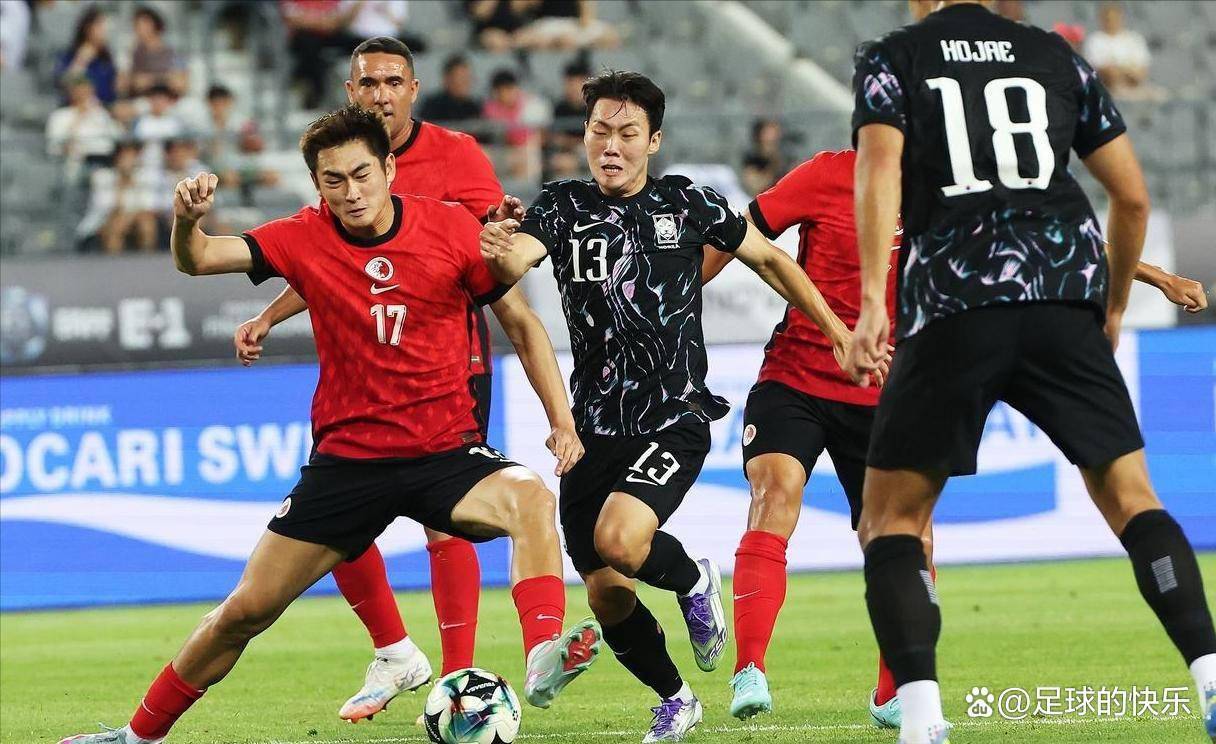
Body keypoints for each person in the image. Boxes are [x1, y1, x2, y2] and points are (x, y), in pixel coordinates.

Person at [59, 104, 603, 744]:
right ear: (317, 184)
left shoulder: (451, 226)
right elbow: (197, 259)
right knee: (244, 611)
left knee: (531, 497)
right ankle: (137, 736)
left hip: (445, 454)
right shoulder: (302, 236)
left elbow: (523, 325)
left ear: (389, 169)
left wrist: (562, 422)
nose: (350, 192)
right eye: (333, 180)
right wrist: (186, 221)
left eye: (361, 174)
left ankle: (542, 656)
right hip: (348, 465)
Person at [703, 146, 1209, 729]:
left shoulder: (956, 191)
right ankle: (750, 669)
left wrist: (1158, 277)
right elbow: (736, 233)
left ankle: (894, 691)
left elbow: (1055, 243)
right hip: (797, 376)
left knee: (907, 540)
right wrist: (680, 290)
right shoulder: (825, 173)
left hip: (888, 391)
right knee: (774, 493)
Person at [847, 3, 1216, 743]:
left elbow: (879, 167)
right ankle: (1210, 675)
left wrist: (870, 302)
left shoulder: (894, 57)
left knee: (890, 521)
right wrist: (1112, 306)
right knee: (1133, 499)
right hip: (1062, 301)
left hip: (954, 301)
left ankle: (921, 718)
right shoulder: (1055, 55)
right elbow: (1132, 196)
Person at [478, 69, 853, 744]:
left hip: (672, 417)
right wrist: (497, 248)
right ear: (584, 136)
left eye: (628, 133)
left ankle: (692, 581)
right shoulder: (561, 206)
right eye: (600, 131)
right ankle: (676, 699)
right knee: (606, 592)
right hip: (593, 427)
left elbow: (771, 261)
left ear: (653, 141)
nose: (611, 146)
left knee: (620, 542)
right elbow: (512, 266)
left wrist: (834, 329)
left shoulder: (688, 203)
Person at [231, 36, 522, 724]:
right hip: (361, 368)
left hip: (450, 364)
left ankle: (458, 679)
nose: (380, 93)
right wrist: (271, 314)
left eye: (393, 81)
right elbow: (332, 262)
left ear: (413, 89)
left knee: (447, 523)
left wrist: (507, 231)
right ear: (350, 91)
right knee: (336, 514)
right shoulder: (338, 167)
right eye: (367, 83)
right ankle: (393, 650)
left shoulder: (456, 155)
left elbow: (490, 250)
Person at [46, 73, 120, 185]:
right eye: (79, 90)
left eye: (87, 89)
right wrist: (80, 117)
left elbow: (116, 138)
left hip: (103, 163)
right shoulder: (60, 116)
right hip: (75, 165)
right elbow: (54, 147)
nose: (84, 94)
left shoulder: (101, 114)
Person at [1084, 2, 1151, 99]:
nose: (1112, 22)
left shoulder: (1135, 39)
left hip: (1135, 88)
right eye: (1108, 19)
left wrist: (1123, 71)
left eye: (1115, 18)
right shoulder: (1094, 40)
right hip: (1106, 90)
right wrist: (1124, 71)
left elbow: (1141, 71)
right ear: (1102, 19)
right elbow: (1103, 70)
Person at [53, 5, 117, 105]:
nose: (104, 30)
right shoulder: (70, 54)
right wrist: (80, 61)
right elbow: (63, 85)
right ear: (88, 28)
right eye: (100, 25)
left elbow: (111, 91)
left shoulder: (106, 57)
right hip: (75, 107)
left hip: (102, 108)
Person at [121, 5, 187, 97]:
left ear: (153, 25)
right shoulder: (135, 53)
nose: (137, 30)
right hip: (141, 100)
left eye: (141, 25)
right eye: (136, 26)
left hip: (167, 99)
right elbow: (123, 84)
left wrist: (151, 80)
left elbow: (181, 84)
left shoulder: (173, 53)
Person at [418, 54, 484, 128]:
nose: (466, 82)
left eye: (467, 77)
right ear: (447, 79)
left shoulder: (474, 107)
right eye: (460, 77)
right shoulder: (432, 106)